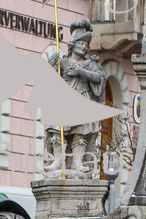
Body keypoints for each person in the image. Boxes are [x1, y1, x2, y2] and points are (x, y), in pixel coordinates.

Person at [45, 19, 107, 177]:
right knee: (56, 129)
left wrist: (81, 72)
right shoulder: (63, 61)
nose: (84, 47)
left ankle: (78, 162)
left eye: (86, 45)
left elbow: (99, 78)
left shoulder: (89, 64)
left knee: (81, 132)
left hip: (82, 98)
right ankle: (59, 159)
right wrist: (50, 67)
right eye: (81, 43)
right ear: (73, 44)